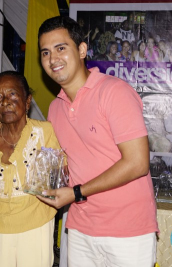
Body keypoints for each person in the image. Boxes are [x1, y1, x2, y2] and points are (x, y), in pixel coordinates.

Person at [37, 16, 158, 267]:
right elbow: (65, 166)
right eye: (45, 52)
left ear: (81, 50)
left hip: (128, 231)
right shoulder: (55, 108)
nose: (53, 59)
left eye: (61, 48)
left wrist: (76, 192)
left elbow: (137, 163)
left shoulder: (114, 92)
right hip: (81, 227)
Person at [0, 71, 60, 267]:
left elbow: (51, 189)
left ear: (27, 101)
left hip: (36, 230)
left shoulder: (45, 134)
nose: (5, 102)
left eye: (12, 94)